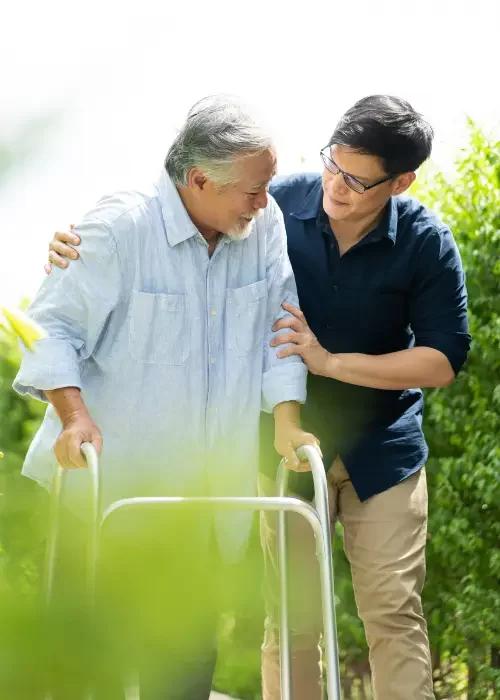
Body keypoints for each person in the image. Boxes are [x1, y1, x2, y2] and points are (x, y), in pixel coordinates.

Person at [46, 95, 472, 700]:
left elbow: (441, 358)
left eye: (357, 179)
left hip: (381, 448)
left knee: (392, 611)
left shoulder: (421, 240)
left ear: (400, 181)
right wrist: (72, 255)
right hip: (274, 452)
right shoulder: (271, 206)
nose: (336, 185)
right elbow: (103, 287)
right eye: (333, 164)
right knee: (291, 620)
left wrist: (325, 368)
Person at [14, 94, 319, 700]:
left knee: (183, 673)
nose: (265, 203)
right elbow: (55, 329)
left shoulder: (264, 228)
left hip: (200, 507)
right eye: (253, 191)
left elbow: (280, 331)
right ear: (200, 179)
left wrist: (286, 420)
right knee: (91, 671)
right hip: (105, 497)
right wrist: (73, 417)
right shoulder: (118, 228)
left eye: (268, 188)